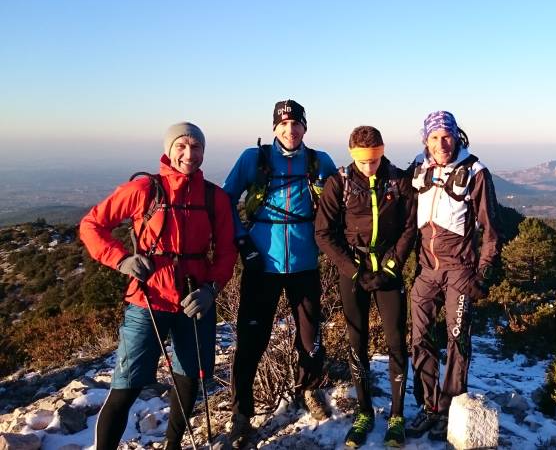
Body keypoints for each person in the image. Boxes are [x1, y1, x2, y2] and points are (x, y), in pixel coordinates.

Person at [79, 122, 237, 450]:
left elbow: (225, 252)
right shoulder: (144, 190)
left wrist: (211, 289)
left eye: (195, 147)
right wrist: (121, 259)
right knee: (126, 385)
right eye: (181, 146)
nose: (188, 154)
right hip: (147, 299)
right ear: (168, 149)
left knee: (190, 378)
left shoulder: (214, 198)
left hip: (194, 300)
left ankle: (173, 444)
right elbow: (92, 225)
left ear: (203, 152)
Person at [221, 99, 337, 446]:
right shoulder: (253, 159)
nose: (290, 130)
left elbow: (342, 201)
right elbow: (226, 199)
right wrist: (244, 242)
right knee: (252, 341)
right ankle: (242, 414)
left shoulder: (319, 161)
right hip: (262, 264)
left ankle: (309, 391)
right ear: (274, 127)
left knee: (310, 337)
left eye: (296, 124)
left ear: (305, 127)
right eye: (284, 124)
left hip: (305, 264)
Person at [314, 126, 417, 447]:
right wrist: (353, 270)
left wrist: (391, 266)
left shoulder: (398, 181)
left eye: (374, 159)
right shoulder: (339, 183)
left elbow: (409, 227)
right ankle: (364, 412)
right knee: (356, 340)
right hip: (354, 270)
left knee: (396, 339)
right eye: (362, 160)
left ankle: (397, 415)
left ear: (382, 152)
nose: (369, 166)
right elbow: (324, 233)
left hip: (387, 269)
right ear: (352, 155)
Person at [404, 111, 501, 441]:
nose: (441, 143)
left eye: (447, 136)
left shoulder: (475, 171)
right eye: (434, 138)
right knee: (420, 339)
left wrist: (484, 275)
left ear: (457, 136)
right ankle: (429, 405)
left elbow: (491, 230)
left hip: (460, 270)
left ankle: (450, 406)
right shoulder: (418, 166)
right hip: (425, 269)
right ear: (425, 140)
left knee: (457, 340)